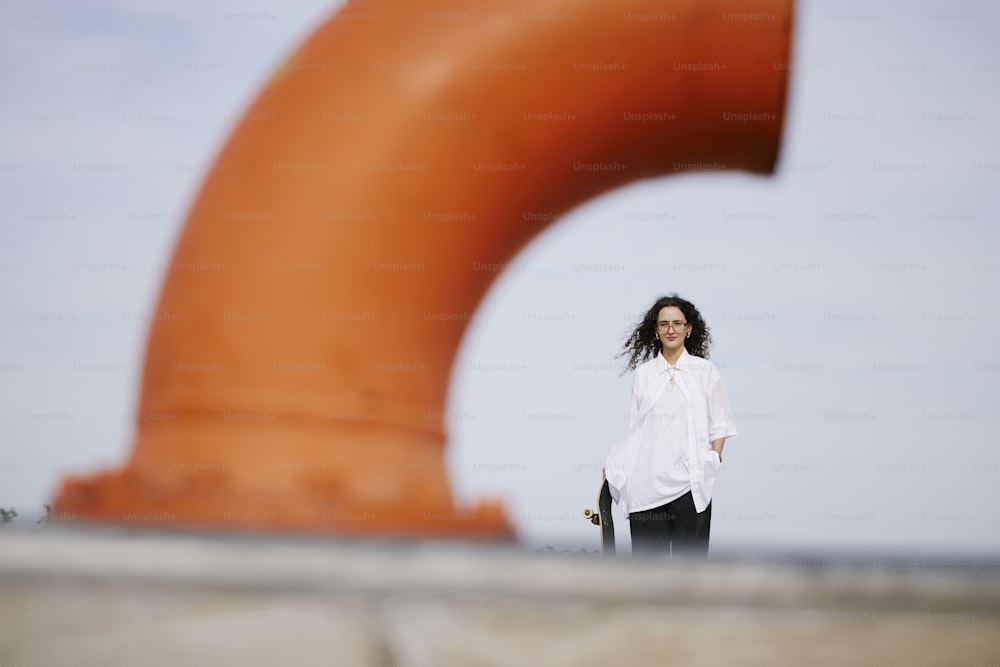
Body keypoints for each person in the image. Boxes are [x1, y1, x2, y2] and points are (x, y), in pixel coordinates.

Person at [604, 294, 737, 557]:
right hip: (646, 487)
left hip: (692, 486)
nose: (671, 329)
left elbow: (720, 423)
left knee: (691, 571)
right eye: (664, 324)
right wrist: (618, 464)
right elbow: (635, 429)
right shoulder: (644, 374)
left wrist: (713, 459)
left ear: (689, 329)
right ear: (656, 330)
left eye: (677, 323)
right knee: (648, 573)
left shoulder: (705, 371)